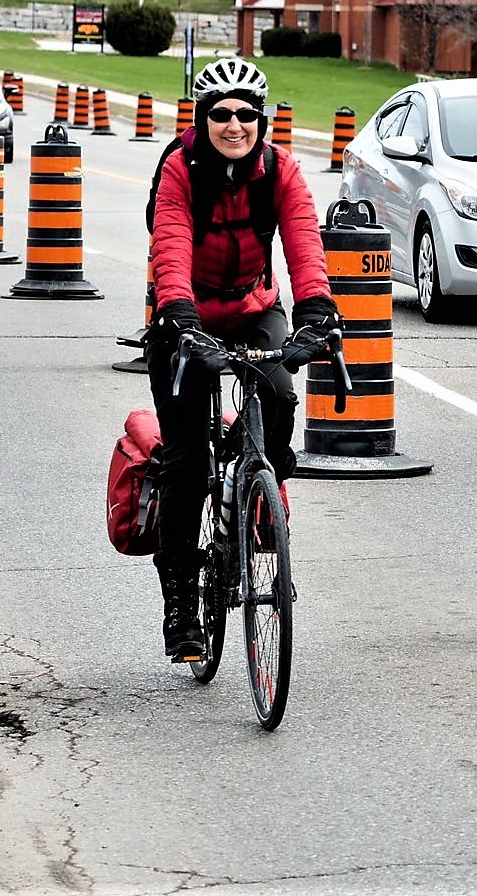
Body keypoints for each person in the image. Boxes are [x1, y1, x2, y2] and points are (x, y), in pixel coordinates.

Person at [145, 57, 334, 663]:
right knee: (186, 463)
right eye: (221, 114)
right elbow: (169, 243)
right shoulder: (179, 169)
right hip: (187, 317)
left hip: (253, 308)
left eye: (246, 115)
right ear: (203, 119)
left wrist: (315, 313)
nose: (234, 124)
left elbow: (304, 239)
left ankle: (265, 486)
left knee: (279, 395)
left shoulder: (280, 170)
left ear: (262, 120)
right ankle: (179, 600)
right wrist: (178, 317)